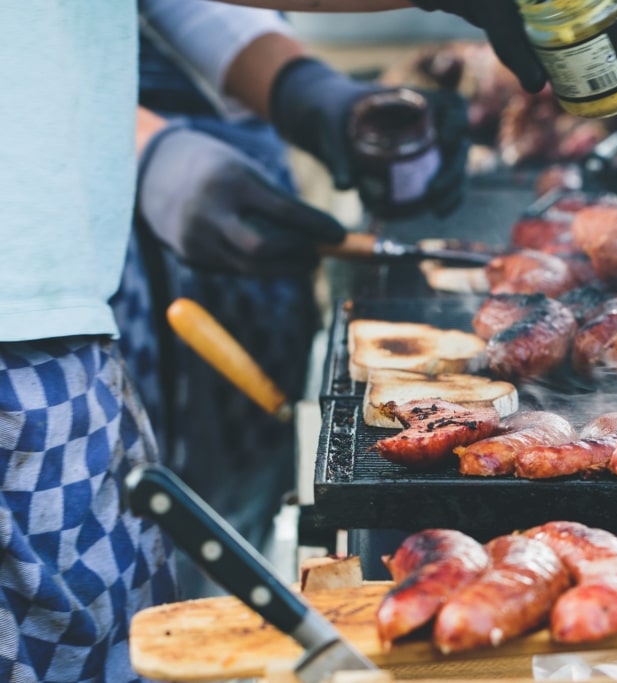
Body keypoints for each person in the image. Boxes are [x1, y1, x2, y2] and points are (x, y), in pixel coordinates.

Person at [0, 3, 617, 681]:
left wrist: (300, 90)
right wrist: (149, 147)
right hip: (23, 324)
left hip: (63, 290)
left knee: (130, 627)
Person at [115, 1, 469, 598]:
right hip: (75, 222)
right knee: (133, 520)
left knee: (244, 509)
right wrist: (146, 152)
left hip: (231, 162)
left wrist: (301, 91)